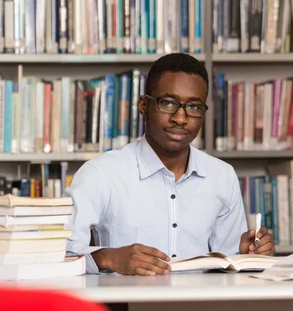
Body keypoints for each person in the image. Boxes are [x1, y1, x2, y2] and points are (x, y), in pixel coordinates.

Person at [65, 53, 275, 275]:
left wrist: (245, 256)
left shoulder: (222, 176)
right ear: (143, 105)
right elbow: (61, 255)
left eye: (194, 107)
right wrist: (107, 257)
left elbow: (227, 266)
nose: (181, 118)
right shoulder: (100, 173)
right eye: (168, 103)